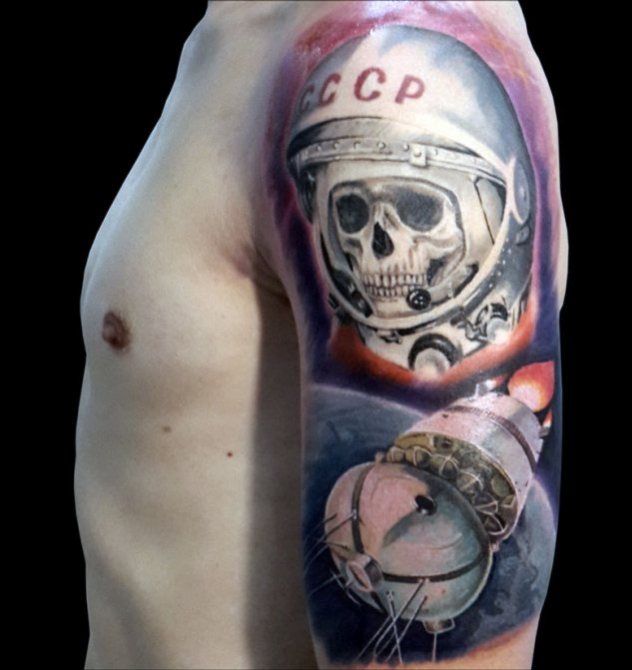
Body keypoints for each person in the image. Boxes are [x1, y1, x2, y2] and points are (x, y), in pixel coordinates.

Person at [75, 2, 568, 668]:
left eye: (418, 209)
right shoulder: (244, 31)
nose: (380, 243)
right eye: (352, 214)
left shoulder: (393, 59)